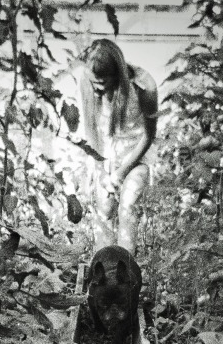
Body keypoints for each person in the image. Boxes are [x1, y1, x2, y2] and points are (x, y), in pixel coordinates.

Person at [62, 39, 158, 255]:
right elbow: (91, 130)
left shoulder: (144, 86)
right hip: (106, 157)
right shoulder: (88, 81)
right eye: (93, 83)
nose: (96, 89)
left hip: (137, 156)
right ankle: (103, 270)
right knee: (104, 213)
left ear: (117, 76)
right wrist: (100, 171)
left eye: (102, 83)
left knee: (128, 207)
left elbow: (149, 135)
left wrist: (121, 173)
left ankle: (125, 269)